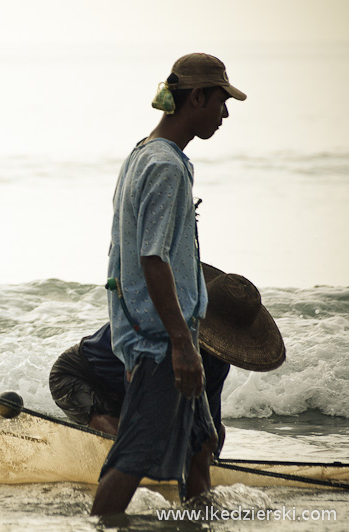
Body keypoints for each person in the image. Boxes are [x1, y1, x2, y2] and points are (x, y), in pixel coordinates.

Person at [91, 53, 247, 515]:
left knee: (202, 445)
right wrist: (180, 343)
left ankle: (200, 522)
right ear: (196, 97)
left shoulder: (146, 153)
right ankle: (100, 523)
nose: (225, 114)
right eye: (221, 101)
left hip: (160, 335)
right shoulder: (165, 167)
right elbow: (152, 259)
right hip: (161, 342)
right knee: (132, 458)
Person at [50, 264, 285, 448]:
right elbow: (140, 392)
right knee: (128, 436)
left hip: (125, 391)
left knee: (215, 432)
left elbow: (208, 425)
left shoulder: (218, 362)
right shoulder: (157, 328)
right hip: (77, 377)